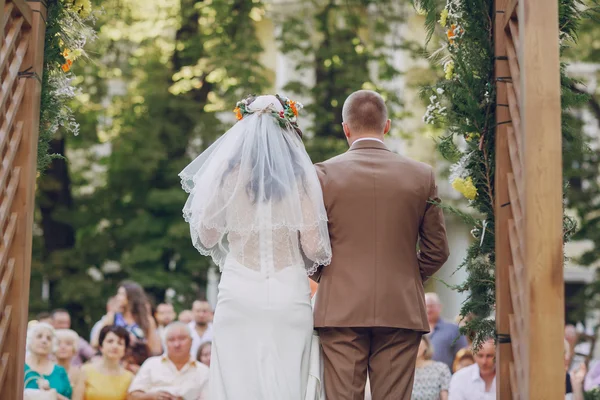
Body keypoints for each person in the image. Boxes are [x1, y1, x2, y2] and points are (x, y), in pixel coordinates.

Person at [179, 95, 331, 399]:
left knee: (238, 380)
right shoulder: (301, 181)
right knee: (288, 376)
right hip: (288, 292)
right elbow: (315, 248)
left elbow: (207, 238)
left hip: (239, 293)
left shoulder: (228, 178)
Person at [312, 90, 449, 400]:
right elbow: (437, 250)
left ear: (345, 128)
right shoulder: (421, 175)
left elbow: (308, 246)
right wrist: (405, 276)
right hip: (399, 308)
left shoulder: (322, 174)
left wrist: (331, 277)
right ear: (387, 126)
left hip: (340, 309)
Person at [128, 322, 209, 399]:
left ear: (191, 341)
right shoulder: (151, 364)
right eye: (171, 340)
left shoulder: (204, 371)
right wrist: (152, 397)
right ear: (165, 343)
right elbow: (132, 396)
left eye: (182, 339)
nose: (177, 344)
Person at [92, 282, 162, 355]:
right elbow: (95, 342)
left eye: (121, 294)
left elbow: (155, 349)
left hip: (139, 361)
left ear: (132, 297)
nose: (117, 297)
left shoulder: (146, 320)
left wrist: (138, 344)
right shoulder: (113, 317)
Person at [73, 325, 134, 400]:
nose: (115, 346)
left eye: (120, 343)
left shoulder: (129, 378)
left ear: (125, 350)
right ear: (101, 346)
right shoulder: (85, 371)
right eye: (110, 341)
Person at [24, 322, 72, 399]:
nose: (44, 341)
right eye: (39, 336)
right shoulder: (20, 367)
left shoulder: (60, 371)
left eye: (49, 338)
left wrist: (51, 393)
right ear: (29, 340)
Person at [425, 293, 469, 370]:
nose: (428, 309)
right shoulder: (415, 332)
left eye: (431, 306)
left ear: (439, 307)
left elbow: (463, 356)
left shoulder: (454, 330)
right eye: (425, 306)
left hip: (448, 378)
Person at [412, 335, 451, 400]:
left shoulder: (441, 369)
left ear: (426, 345)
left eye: (418, 339)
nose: (415, 344)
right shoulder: (402, 372)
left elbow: (445, 397)